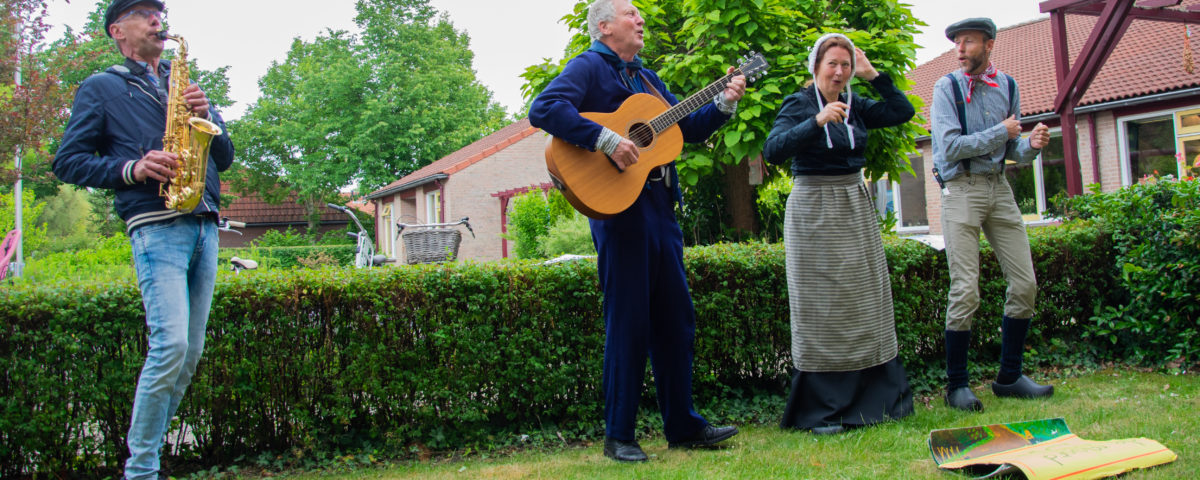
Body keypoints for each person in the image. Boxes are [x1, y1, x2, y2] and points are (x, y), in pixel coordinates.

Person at [529, 0, 746, 463]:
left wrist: (724, 103)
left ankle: (683, 426)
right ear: (605, 26)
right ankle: (619, 435)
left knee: (676, 318)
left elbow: (680, 128)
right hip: (618, 211)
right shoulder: (588, 66)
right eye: (632, 14)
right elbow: (544, 108)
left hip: (660, 208)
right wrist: (605, 138)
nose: (641, 20)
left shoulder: (647, 79)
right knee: (629, 322)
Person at [52, 1, 235, 478]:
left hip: (204, 221)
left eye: (159, 12)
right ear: (118, 31)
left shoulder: (183, 80)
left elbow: (226, 155)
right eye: (143, 13)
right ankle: (142, 470)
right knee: (170, 345)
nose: (157, 19)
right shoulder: (102, 86)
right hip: (155, 224)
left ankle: (147, 458)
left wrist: (206, 110)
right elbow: (67, 161)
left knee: (189, 355)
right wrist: (131, 168)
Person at [762, 33, 916, 434]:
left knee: (864, 299)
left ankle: (876, 400)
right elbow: (773, 150)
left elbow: (902, 111)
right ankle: (821, 410)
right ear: (816, 67)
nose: (839, 72)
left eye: (846, 66)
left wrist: (872, 74)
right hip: (813, 207)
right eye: (832, 64)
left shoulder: (856, 104)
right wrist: (816, 121)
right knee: (820, 304)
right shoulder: (797, 103)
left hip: (853, 203)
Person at [930, 17, 1054, 412]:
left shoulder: (1009, 86)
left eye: (968, 42)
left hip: (999, 189)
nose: (960, 49)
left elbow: (1012, 149)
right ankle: (957, 386)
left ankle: (1010, 377)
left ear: (989, 44)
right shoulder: (945, 88)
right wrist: (1003, 132)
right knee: (966, 288)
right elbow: (948, 148)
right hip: (961, 189)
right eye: (956, 43)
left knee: (1025, 284)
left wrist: (1031, 145)